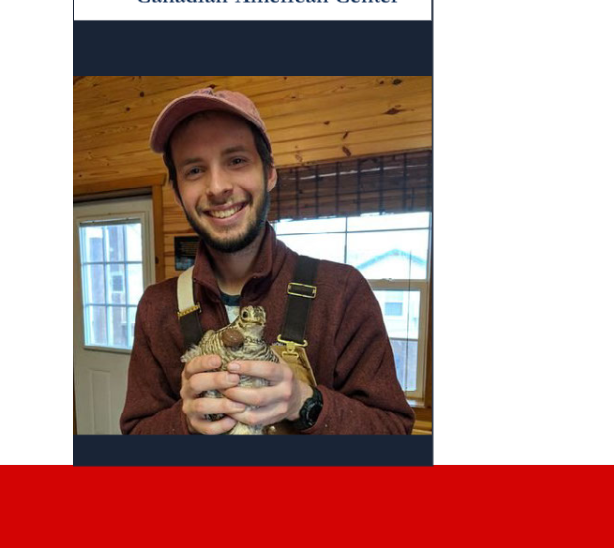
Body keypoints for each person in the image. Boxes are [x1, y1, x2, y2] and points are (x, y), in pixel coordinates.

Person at [120, 88, 415, 434]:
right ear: (177, 193)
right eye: (195, 170)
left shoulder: (343, 292)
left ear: (270, 173)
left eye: (236, 160)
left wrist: (306, 404)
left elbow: (394, 430)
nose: (217, 187)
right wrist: (183, 422)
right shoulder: (157, 308)